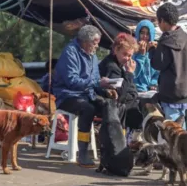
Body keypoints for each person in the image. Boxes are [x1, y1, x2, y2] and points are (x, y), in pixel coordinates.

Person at [52, 25, 118, 168]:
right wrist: (97, 83)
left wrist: (106, 90)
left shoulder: (93, 55)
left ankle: (109, 149)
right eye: (95, 43)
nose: (97, 46)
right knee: (87, 109)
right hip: (67, 95)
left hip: (86, 94)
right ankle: (82, 153)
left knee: (108, 106)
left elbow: (95, 81)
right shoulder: (70, 53)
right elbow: (72, 82)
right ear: (85, 41)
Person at [148, 3, 187, 129]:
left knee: (172, 132)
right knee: (181, 129)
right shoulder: (186, 37)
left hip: (171, 94)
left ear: (162, 20)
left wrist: (152, 50)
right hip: (186, 92)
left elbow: (158, 64)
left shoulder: (166, 40)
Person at [99, 32, 143, 132]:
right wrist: (129, 73)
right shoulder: (111, 66)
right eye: (125, 54)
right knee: (137, 113)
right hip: (108, 106)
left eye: (130, 56)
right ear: (116, 50)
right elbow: (120, 95)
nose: (127, 58)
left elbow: (131, 89)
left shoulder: (120, 64)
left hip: (119, 104)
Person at [133, 19, 159, 92]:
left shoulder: (154, 51)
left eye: (147, 34)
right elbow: (133, 73)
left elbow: (157, 73)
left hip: (149, 91)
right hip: (135, 90)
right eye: (142, 33)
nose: (144, 36)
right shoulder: (132, 50)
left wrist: (153, 83)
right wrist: (141, 55)